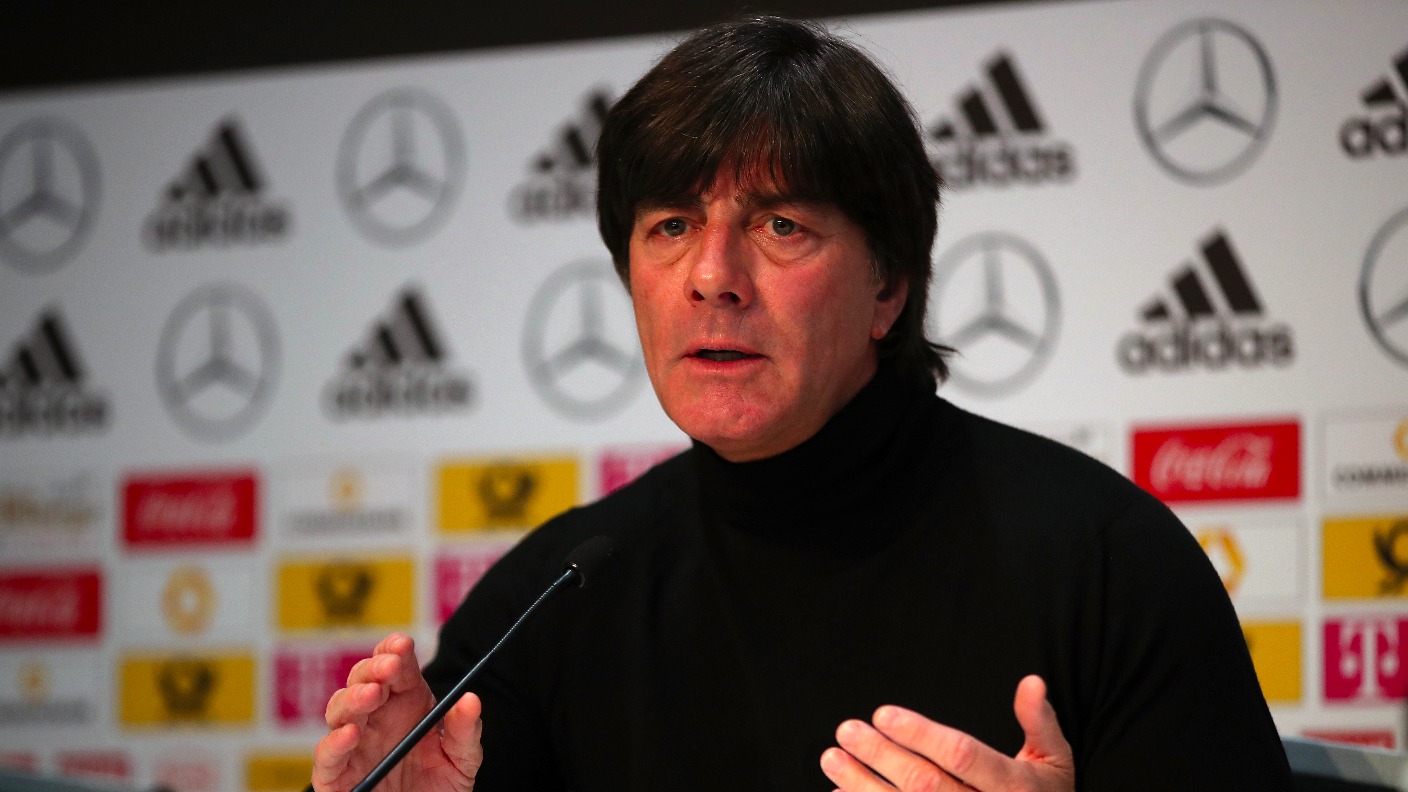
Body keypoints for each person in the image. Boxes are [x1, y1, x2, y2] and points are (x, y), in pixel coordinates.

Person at [313, 16, 1292, 791]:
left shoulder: (1107, 564)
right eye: (671, 225)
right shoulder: (551, 600)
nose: (712, 276)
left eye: (779, 224)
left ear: (888, 286)